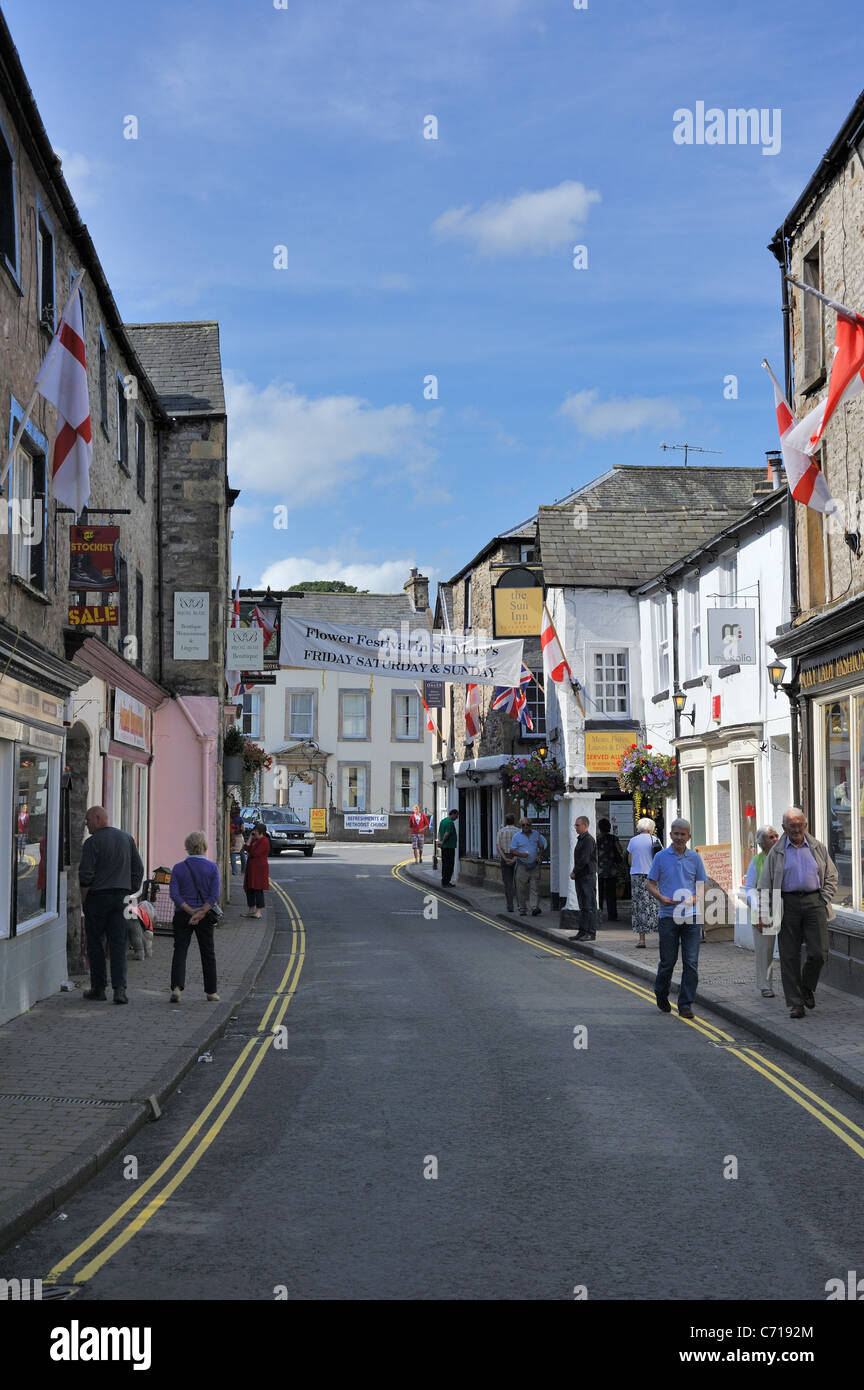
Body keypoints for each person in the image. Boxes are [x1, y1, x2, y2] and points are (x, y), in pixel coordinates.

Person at [757, 807, 838, 1019]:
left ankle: (806, 987)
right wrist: (762, 913)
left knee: (819, 952)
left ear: (805, 825)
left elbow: (831, 876)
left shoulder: (817, 847)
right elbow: (764, 884)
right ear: (784, 827)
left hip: (815, 901)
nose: (796, 829)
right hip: (786, 903)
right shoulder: (776, 852)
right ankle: (795, 1003)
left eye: (799, 825)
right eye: (791, 826)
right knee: (789, 955)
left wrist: (824, 899)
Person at [79, 806, 144, 1005]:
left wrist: (85, 899)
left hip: (98, 897)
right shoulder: (126, 839)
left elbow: (85, 875)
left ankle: (99, 988)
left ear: (98, 819)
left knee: (96, 943)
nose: (87, 824)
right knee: (119, 943)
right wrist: (129, 889)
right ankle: (120, 990)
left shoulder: (92, 843)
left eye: (88, 820)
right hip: (122, 897)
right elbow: (138, 869)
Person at [647, 818, 707, 1020]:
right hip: (668, 917)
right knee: (668, 961)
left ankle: (685, 1004)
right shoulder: (661, 857)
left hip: (691, 917)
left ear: (689, 836)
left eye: (683, 834)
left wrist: (695, 898)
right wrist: (661, 897)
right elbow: (650, 883)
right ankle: (661, 992)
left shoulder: (695, 858)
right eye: (676, 833)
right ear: (670, 835)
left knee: (691, 962)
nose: (679, 837)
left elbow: (701, 885)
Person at [169, 831, 221, 1002]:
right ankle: (211, 992)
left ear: (187, 847)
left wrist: (190, 911)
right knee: (208, 953)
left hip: (182, 914)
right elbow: (214, 896)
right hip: (204, 916)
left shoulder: (178, 868)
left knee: (180, 950)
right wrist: (201, 912)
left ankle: (176, 988)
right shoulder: (212, 868)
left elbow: (174, 894)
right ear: (204, 846)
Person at [741, 825, 779, 998]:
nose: (776, 839)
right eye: (771, 837)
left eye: (776, 835)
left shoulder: (785, 857)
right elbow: (750, 889)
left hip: (786, 908)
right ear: (762, 843)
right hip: (764, 910)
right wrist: (758, 912)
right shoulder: (757, 861)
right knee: (765, 951)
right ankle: (765, 985)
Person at [627, 817, 660, 948]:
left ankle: (642, 940)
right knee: (655, 905)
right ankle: (661, 938)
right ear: (651, 828)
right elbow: (660, 858)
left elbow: (629, 861)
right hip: (652, 876)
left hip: (636, 875)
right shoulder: (655, 839)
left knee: (639, 907)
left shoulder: (633, 841)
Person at [511, 815, 547, 916]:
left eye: (528, 825)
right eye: (523, 825)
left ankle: (534, 907)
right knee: (520, 888)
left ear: (531, 825)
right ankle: (522, 909)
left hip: (534, 865)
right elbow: (512, 850)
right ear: (520, 826)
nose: (526, 826)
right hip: (522, 865)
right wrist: (521, 854)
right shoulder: (516, 836)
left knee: (534, 887)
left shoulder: (536, 834)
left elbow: (541, 846)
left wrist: (540, 856)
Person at [569, 815, 598, 940]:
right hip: (581, 876)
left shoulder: (588, 840)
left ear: (585, 825)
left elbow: (584, 859)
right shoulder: (581, 839)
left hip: (587, 876)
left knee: (589, 905)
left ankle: (590, 933)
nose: (575, 827)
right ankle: (582, 931)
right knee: (583, 905)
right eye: (575, 825)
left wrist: (574, 871)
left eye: (577, 825)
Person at [595, 817, 623, 922]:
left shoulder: (596, 838)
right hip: (611, 870)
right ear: (609, 827)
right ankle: (612, 915)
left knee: (599, 894)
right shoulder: (613, 838)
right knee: (611, 894)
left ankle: (599, 914)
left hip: (600, 870)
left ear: (599, 827)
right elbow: (620, 850)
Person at [243, 822, 271, 918]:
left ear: (260, 832)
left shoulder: (264, 841)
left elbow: (255, 853)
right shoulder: (255, 840)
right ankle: (251, 909)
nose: (253, 833)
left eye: (255, 831)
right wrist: (250, 838)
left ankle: (259, 912)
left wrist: (249, 851)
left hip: (259, 869)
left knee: (258, 889)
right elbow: (246, 848)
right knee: (249, 888)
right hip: (251, 868)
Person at [496, 813, 518, 913]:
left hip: (505, 856)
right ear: (514, 821)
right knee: (518, 883)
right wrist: (514, 858)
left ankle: (510, 906)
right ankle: (520, 906)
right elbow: (520, 847)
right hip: (516, 857)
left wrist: (504, 858)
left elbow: (498, 847)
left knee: (508, 883)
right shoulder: (518, 831)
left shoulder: (501, 831)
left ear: (506, 821)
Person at [438, 808, 459, 886]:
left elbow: (439, 832)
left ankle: (444, 881)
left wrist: (439, 841)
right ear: (453, 814)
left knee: (445, 864)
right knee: (449, 865)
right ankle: (446, 882)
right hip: (449, 846)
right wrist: (443, 842)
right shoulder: (450, 823)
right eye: (456, 816)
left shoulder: (443, 821)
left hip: (444, 847)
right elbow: (447, 833)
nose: (457, 818)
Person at [230, 802, 244, 876]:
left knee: (233, 854)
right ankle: (244, 869)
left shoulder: (231, 819)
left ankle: (235, 871)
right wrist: (240, 831)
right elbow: (243, 829)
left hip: (233, 837)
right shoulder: (240, 819)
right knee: (242, 853)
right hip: (240, 837)